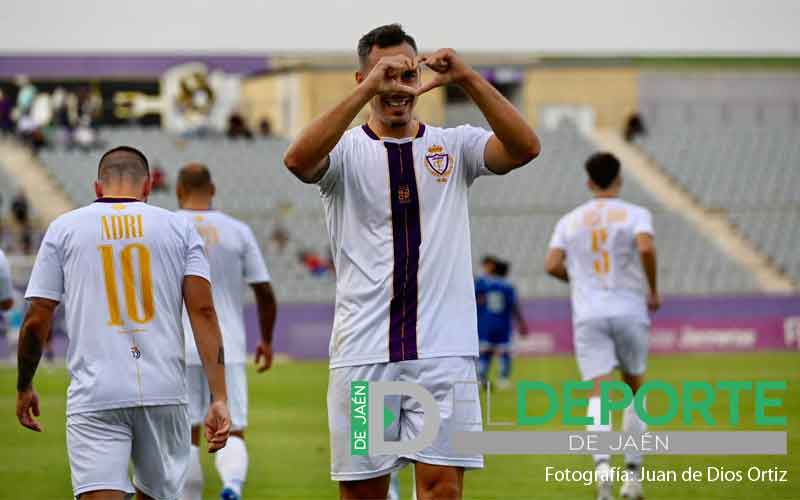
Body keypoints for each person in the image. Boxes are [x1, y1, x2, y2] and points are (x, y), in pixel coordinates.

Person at [283, 23, 540, 500]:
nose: (398, 88)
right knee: (365, 495)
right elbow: (298, 161)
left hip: (444, 354)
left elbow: (525, 148)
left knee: (443, 491)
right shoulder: (343, 152)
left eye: (406, 75)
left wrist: (468, 77)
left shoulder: (455, 145)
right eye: (385, 76)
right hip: (366, 354)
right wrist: (366, 93)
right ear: (362, 80)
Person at [16, 146, 231, 499]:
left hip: (96, 391)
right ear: (147, 187)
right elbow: (203, 312)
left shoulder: (64, 229)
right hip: (164, 391)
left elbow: (37, 318)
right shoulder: (179, 227)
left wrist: (25, 384)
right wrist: (219, 397)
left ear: (97, 188)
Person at [545, 152, 659, 500]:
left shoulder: (570, 220)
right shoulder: (636, 214)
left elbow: (551, 264)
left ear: (589, 182)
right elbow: (646, 247)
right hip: (628, 308)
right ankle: (633, 478)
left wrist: (578, 279)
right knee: (633, 391)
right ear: (619, 180)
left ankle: (602, 474)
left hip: (589, 313)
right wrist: (653, 289)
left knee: (598, 394)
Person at [175, 163, 278, 500]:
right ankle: (232, 486)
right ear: (213, 190)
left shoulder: (168, 227)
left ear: (178, 191)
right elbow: (264, 291)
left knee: (185, 434)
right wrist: (266, 339)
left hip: (177, 346)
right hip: (226, 346)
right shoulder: (238, 231)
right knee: (232, 428)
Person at [475, 256, 528, 389]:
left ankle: (481, 376)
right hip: (502, 323)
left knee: (485, 352)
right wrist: (521, 323)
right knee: (504, 352)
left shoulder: (482, 283)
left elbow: (473, 299)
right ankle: (503, 379)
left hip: (485, 323)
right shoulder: (508, 285)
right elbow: (513, 305)